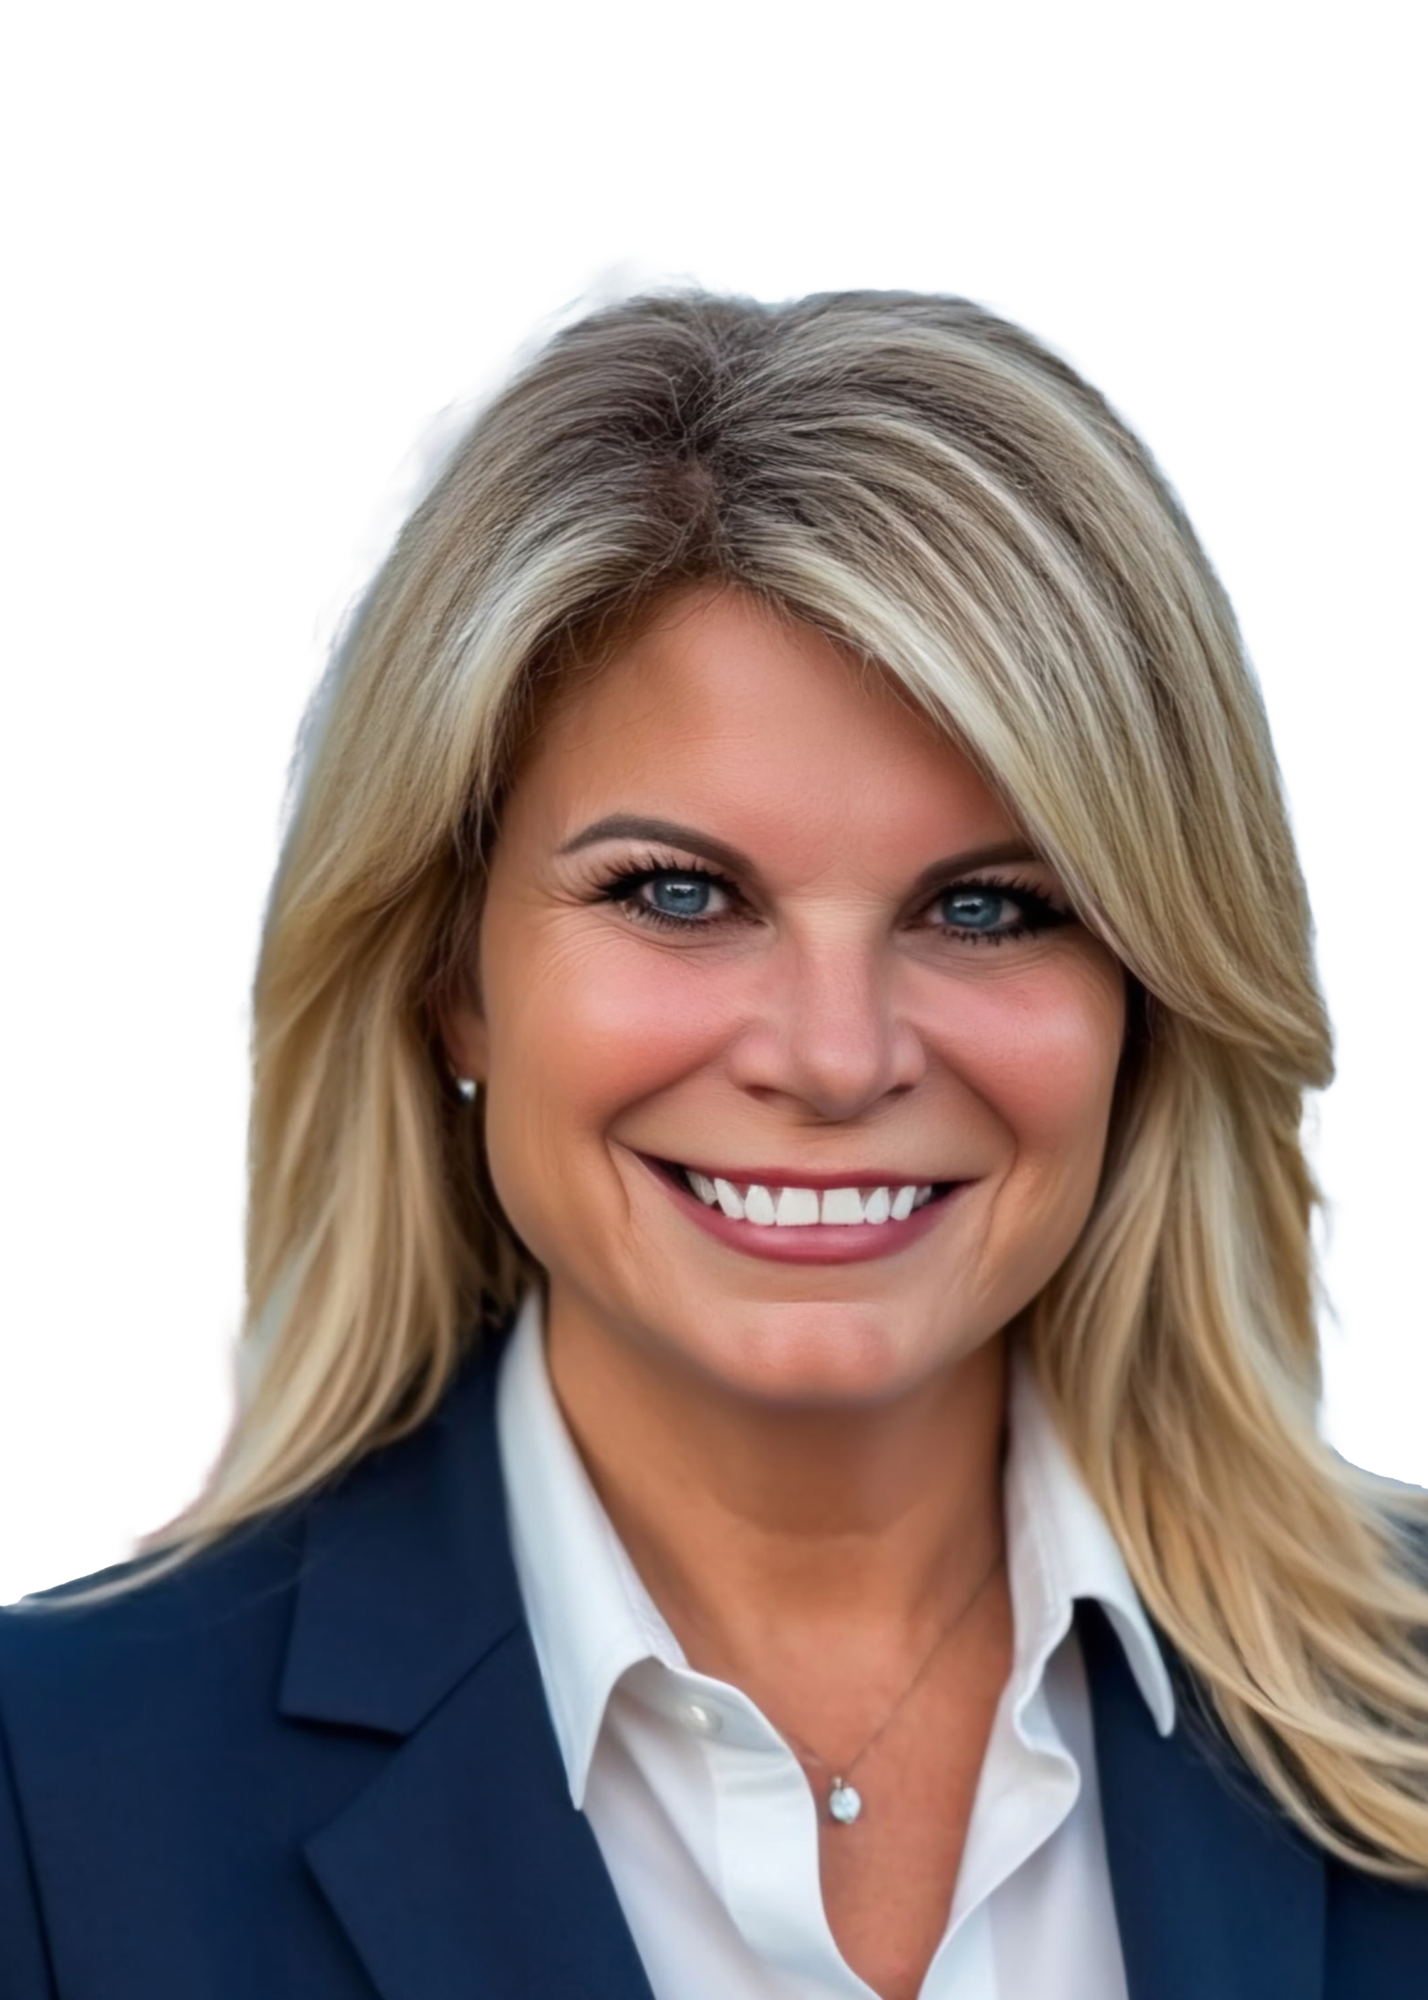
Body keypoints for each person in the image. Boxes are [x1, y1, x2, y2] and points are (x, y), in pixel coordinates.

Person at [2, 264, 1424, 2000]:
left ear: (1153, 998)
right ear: (450, 973)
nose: (835, 1057)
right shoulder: (47, 1799)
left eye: (988, 909)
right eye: (678, 892)